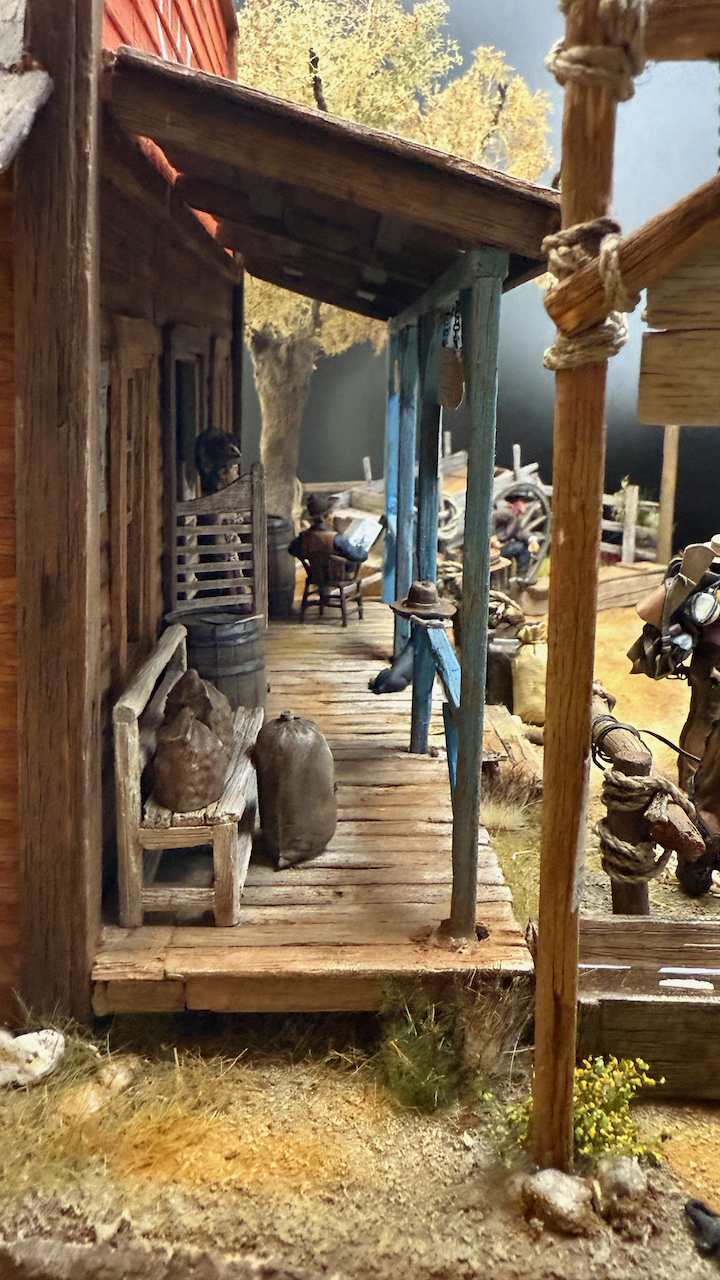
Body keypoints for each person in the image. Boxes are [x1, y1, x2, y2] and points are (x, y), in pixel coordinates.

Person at [288, 492, 369, 566]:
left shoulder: (303, 538)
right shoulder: (335, 540)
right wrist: (363, 548)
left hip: (315, 574)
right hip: (339, 574)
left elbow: (291, 550)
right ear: (326, 517)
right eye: (331, 513)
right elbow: (360, 556)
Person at [492, 494, 540, 577]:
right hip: (492, 548)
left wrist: (532, 539)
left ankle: (521, 577)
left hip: (501, 546)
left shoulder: (516, 517)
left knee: (523, 548)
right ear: (516, 503)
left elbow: (520, 533)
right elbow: (491, 516)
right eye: (523, 503)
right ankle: (521, 577)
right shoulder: (506, 512)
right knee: (521, 548)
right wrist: (491, 536)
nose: (526, 506)